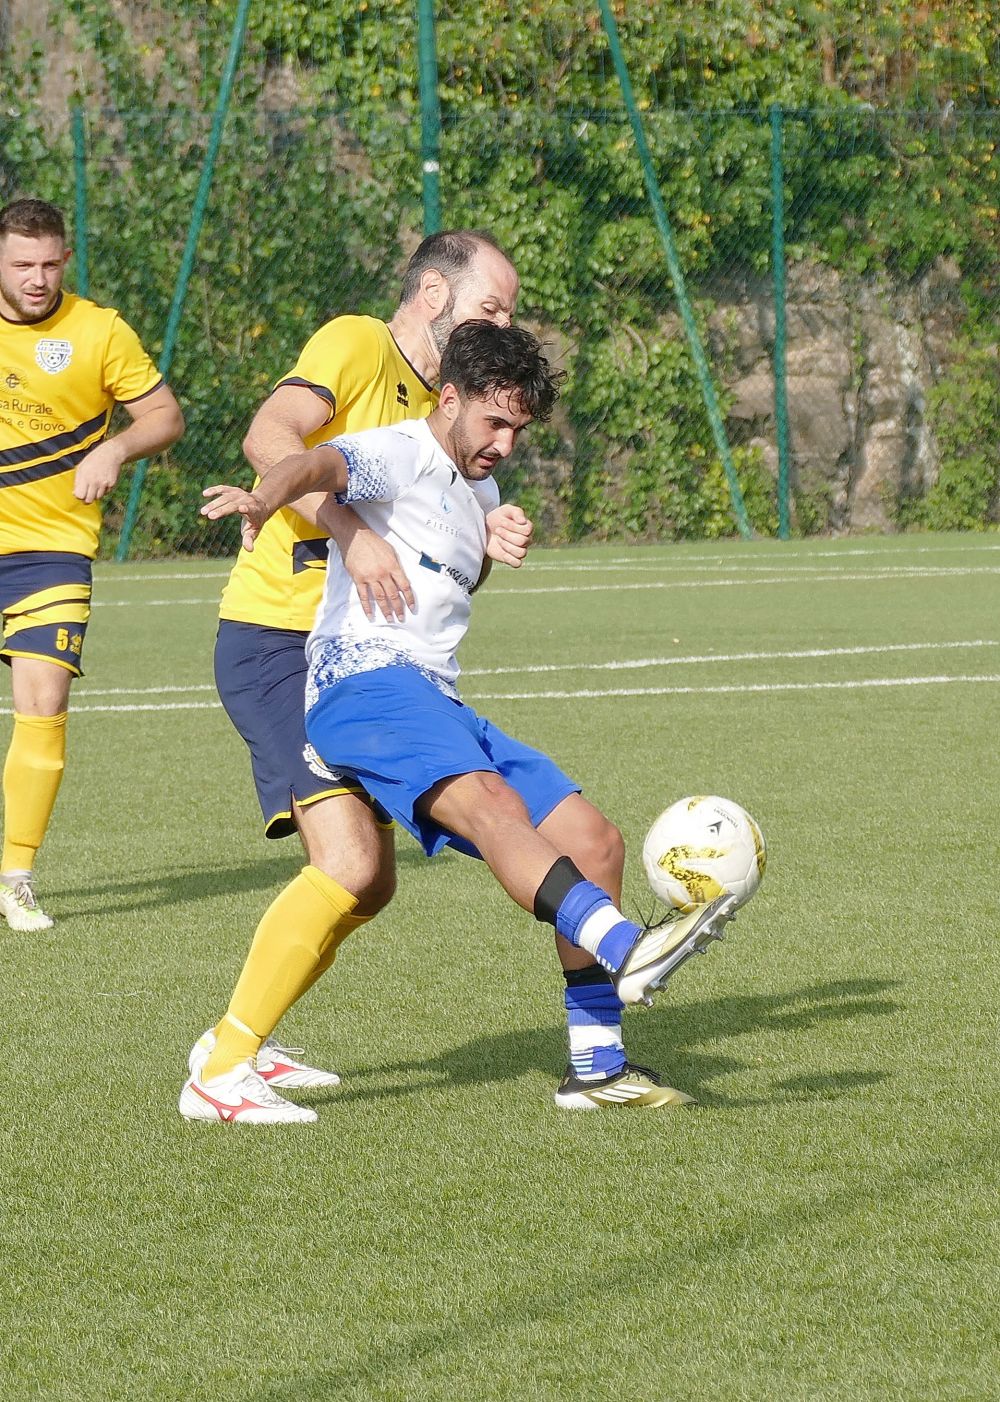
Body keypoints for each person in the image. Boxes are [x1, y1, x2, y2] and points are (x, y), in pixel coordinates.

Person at [185, 322, 737, 1123]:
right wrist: (267, 496)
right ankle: (629, 947)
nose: (505, 444)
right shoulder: (402, 450)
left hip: (432, 698)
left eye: (519, 429)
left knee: (593, 841)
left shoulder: (479, 492)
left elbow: (441, 577)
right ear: (449, 399)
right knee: (489, 810)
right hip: (362, 686)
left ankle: (597, 1066)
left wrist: (488, 540)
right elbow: (318, 464)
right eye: (494, 422)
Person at [187, 230, 525, 1094]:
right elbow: (269, 435)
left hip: (363, 661)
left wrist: (483, 535)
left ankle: (238, 1039)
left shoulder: (449, 412)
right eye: (491, 308)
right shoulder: (357, 342)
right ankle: (222, 1069)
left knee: (369, 886)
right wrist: (347, 529)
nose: (503, 326)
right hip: (279, 637)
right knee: (348, 864)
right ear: (434, 295)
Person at [0, 197, 184, 930]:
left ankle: (15, 877)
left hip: (51, 553)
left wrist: (116, 448)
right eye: (22, 264)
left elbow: (165, 416)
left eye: (50, 264)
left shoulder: (100, 331)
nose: (37, 278)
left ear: (66, 259)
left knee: (43, 704)